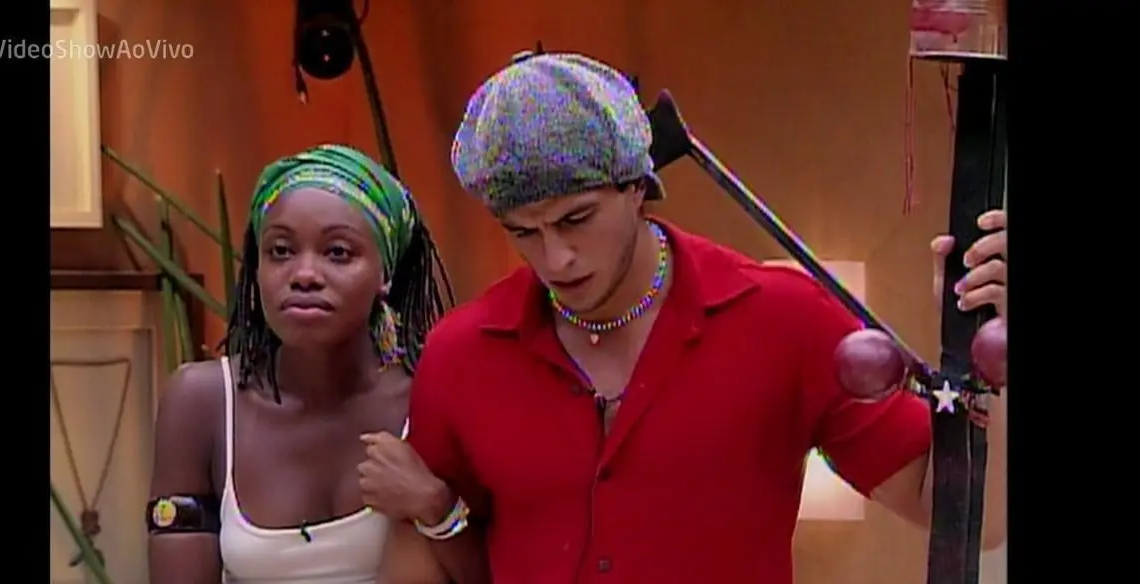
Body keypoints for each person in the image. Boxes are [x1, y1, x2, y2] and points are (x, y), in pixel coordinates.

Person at [359, 52, 1009, 584]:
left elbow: (973, 521)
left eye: (576, 219)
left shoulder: (785, 318)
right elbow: (419, 565)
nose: (555, 257)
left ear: (637, 185)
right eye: (523, 232)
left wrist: (995, 347)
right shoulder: (461, 353)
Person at [145, 144, 454, 584]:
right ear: (257, 269)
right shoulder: (203, 402)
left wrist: (437, 507)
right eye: (281, 251)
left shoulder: (431, 399)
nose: (304, 274)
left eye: (338, 252)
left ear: (384, 273)